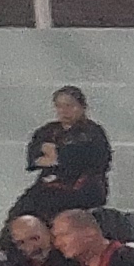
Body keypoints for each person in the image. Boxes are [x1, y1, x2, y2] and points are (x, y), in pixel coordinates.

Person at [16, 87, 110, 221]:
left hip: (83, 187)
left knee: (50, 206)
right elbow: (34, 156)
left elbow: (88, 159)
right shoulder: (47, 131)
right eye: (59, 106)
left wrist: (57, 156)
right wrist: (57, 157)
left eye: (69, 106)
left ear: (82, 107)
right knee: (21, 211)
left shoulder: (92, 132)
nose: (64, 111)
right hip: (48, 185)